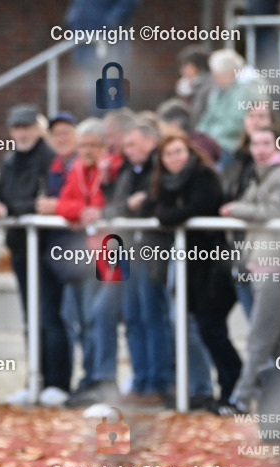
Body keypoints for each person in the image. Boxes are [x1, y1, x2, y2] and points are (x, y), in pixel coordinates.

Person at [149, 133, 241, 408]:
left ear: (189, 152)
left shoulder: (205, 177)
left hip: (213, 265)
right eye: (169, 154)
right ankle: (219, 388)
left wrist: (170, 216)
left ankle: (233, 386)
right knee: (200, 328)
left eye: (179, 152)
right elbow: (155, 208)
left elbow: (197, 207)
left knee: (211, 328)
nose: (175, 158)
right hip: (188, 265)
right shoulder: (165, 184)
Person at [0, 105, 59, 399]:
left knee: (50, 315)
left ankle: (55, 382)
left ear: (39, 128)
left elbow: (44, 203)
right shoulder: (11, 161)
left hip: (48, 248)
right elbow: (5, 198)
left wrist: (9, 209)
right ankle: (34, 380)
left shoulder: (50, 160)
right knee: (31, 316)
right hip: (22, 248)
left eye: (27, 126)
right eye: (17, 128)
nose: (22, 133)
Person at [219, 125, 280, 414]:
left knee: (260, 337)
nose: (260, 149)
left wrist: (235, 210)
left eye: (267, 143)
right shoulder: (259, 175)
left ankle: (241, 398)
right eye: (255, 143)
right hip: (260, 262)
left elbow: (274, 212)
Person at [104, 120, 172, 406]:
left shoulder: (161, 170)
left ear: (149, 142)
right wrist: (127, 205)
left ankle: (158, 383)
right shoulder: (127, 171)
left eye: (132, 144)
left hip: (152, 251)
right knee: (131, 317)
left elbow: (154, 204)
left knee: (152, 316)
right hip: (127, 250)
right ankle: (140, 380)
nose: (127, 150)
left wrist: (136, 205)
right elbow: (115, 206)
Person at [57, 118, 122, 407]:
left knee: (100, 317)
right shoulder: (77, 169)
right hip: (84, 254)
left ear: (103, 146)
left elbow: (106, 204)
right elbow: (63, 204)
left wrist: (88, 210)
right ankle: (90, 377)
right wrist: (83, 210)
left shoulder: (112, 169)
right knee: (82, 318)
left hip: (110, 253)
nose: (86, 150)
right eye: (82, 145)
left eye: (92, 145)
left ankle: (103, 379)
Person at [196, 50, 256, 169]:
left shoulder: (245, 93)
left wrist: (210, 138)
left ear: (232, 74)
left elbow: (236, 124)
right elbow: (208, 117)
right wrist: (201, 135)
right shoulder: (216, 91)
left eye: (218, 75)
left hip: (229, 145)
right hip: (210, 141)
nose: (214, 78)